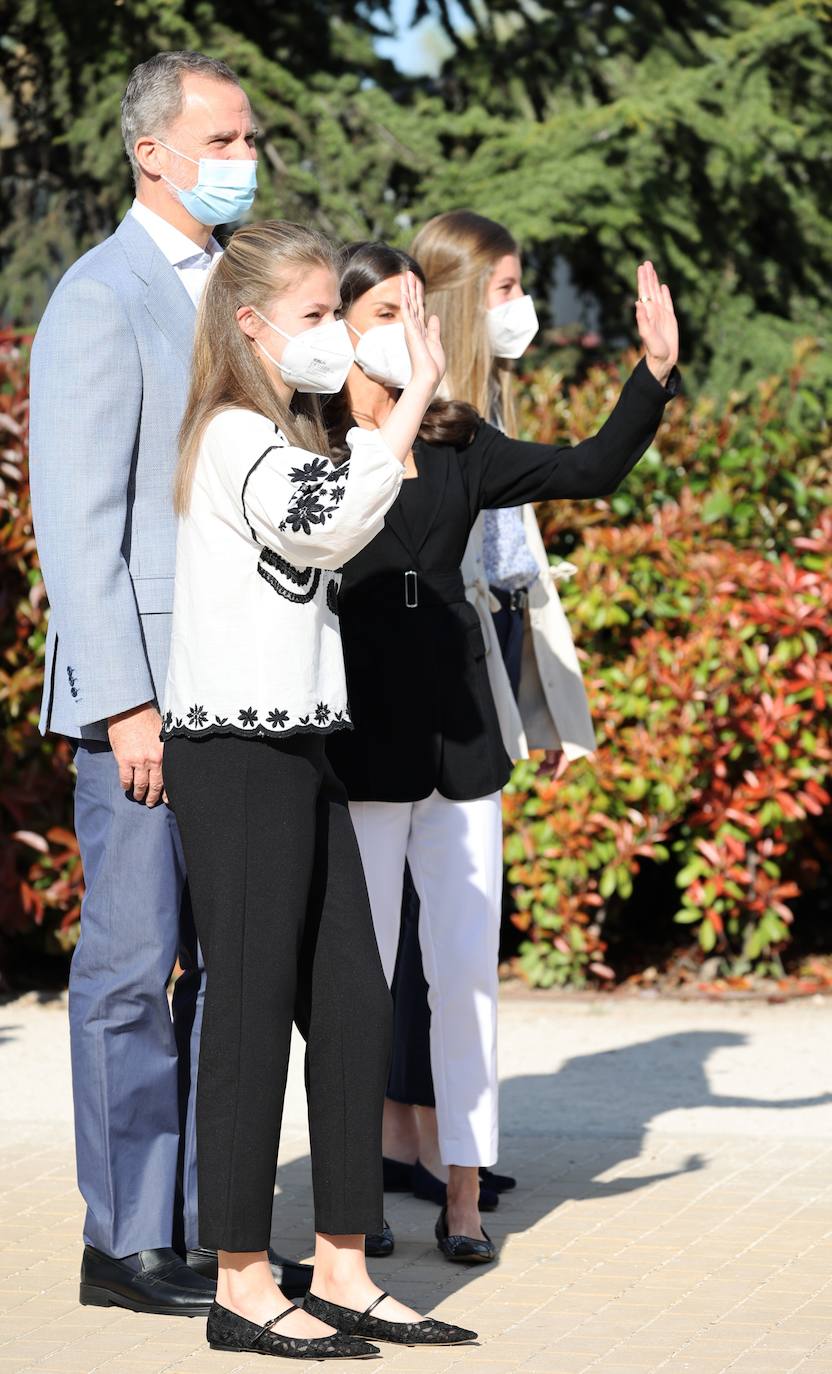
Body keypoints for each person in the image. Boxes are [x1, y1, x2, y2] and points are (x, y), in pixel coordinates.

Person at [325, 239, 680, 1264]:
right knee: (360, 984)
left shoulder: (458, 437)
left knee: (464, 975)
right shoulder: (301, 442)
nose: (407, 329)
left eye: (414, 309)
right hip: (357, 749)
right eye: (382, 312)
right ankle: (355, 1197)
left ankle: (465, 1196)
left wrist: (650, 375)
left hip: (460, 743)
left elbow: (588, 469)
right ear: (339, 327)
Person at [161, 221, 477, 1358]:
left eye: (333, 319)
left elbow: (340, 503)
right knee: (248, 1017)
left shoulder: (283, 427)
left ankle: (341, 1261)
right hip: (232, 754)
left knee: (351, 999)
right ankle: (240, 1282)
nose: (329, 339)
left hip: (304, 749)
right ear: (250, 325)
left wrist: (391, 414)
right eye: (312, 318)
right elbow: (336, 521)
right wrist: (404, 408)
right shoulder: (236, 434)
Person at [28, 50, 303, 1314]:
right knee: (136, 969)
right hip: (144, 702)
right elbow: (78, 524)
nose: (247, 157)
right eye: (227, 138)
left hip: (241, 685)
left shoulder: (238, 295)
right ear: (154, 151)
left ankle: (206, 1224)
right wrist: (122, 702)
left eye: (250, 138)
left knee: (226, 966)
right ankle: (124, 1238)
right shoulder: (101, 295)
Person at [384, 209, 601, 1213]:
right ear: (466, 294)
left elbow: (520, 568)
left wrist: (546, 709)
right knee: (413, 926)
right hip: (428, 668)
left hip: (489, 649)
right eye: (507, 291)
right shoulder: (415, 403)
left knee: (454, 921)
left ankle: (433, 1142)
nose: (521, 311)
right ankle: (408, 1140)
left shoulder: (493, 392)